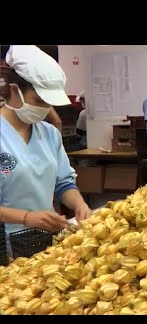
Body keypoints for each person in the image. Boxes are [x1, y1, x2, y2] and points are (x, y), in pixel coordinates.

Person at [0, 45, 91, 252]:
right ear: (14, 90)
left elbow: (64, 184)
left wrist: (79, 204)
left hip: (45, 238)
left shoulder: (49, 134)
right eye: (38, 101)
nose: (43, 109)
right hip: (5, 243)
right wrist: (26, 217)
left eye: (47, 103)